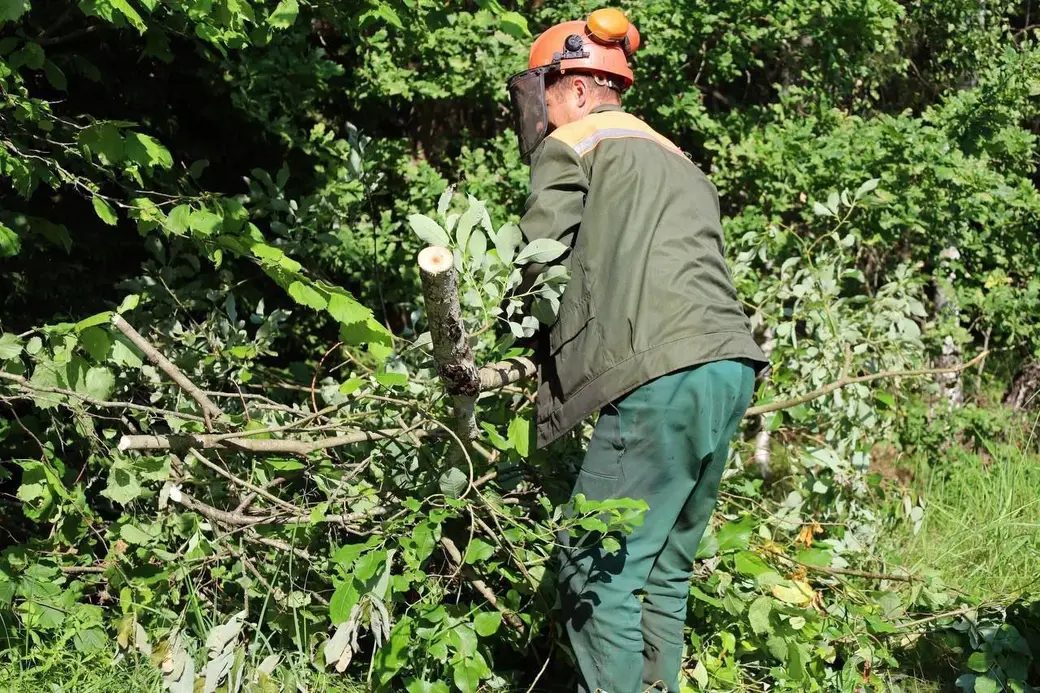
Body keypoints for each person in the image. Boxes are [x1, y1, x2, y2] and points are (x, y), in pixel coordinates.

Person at [506, 9, 769, 693]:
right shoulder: (677, 157)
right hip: (730, 366)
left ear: (582, 87)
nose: (542, 113)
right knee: (662, 573)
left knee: (594, 572)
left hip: (661, 373)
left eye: (545, 92)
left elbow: (537, 261)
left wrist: (508, 345)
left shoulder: (578, 143)